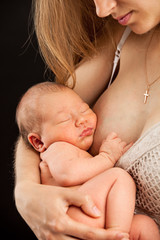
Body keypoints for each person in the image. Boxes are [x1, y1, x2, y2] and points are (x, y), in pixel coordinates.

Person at [14, 0, 160, 240]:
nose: (101, 11)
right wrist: (26, 193)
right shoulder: (120, 37)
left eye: (84, 109)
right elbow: (39, 123)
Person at [16, 81, 159, 240]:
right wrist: (107, 157)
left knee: (145, 225)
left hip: (93, 216)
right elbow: (67, 174)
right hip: (76, 210)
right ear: (38, 142)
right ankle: (117, 234)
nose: (81, 120)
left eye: (84, 109)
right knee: (119, 176)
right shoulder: (57, 148)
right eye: (64, 119)